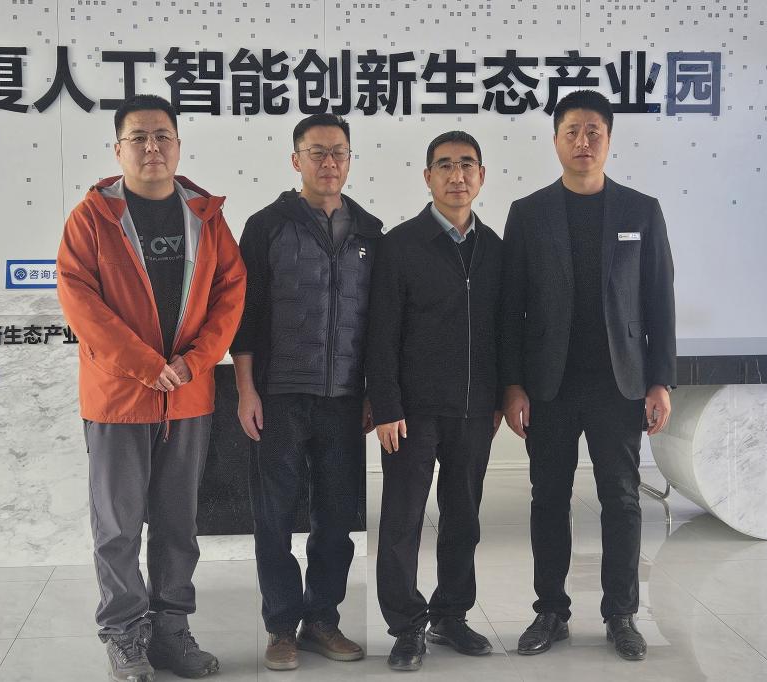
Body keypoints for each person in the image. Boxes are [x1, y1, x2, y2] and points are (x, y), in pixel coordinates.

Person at [56, 94, 246, 682]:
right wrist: (144, 364)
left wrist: (197, 361)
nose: (151, 147)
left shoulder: (205, 216)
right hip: (118, 399)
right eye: (138, 137)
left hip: (187, 397)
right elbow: (80, 302)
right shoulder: (92, 217)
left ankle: (171, 632)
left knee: (177, 524)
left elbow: (231, 292)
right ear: (118, 149)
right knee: (117, 527)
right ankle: (124, 634)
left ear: (178, 145)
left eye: (162, 135)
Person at [500, 89, 676, 662]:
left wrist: (660, 380)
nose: (583, 141)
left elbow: (659, 300)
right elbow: (511, 307)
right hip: (548, 385)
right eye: (572, 131)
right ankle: (550, 611)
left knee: (621, 500)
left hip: (618, 384)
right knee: (548, 499)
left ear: (608, 139)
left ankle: (621, 614)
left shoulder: (640, 210)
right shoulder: (528, 213)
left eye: (593, 131)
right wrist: (512, 383)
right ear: (555, 140)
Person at [231, 113, 382, 671]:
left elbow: (379, 324)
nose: (328, 162)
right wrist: (246, 391)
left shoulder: (370, 230)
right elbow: (245, 317)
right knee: (273, 517)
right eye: (316, 152)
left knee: (336, 519)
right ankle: (280, 626)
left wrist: (374, 392)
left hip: (344, 398)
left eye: (338, 152)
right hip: (279, 395)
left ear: (350, 159)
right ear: (296, 160)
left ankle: (322, 620)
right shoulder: (266, 226)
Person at [366, 131, 504, 672]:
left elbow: (504, 331)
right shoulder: (400, 245)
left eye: (467, 164)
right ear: (427, 177)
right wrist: (386, 405)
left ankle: (451, 614)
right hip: (412, 412)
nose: (456, 175)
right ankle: (406, 627)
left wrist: (500, 396)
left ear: (481, 176)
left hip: (475, 410)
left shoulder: (495, 248)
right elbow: (380, 334)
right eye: (444, 165)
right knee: (402, 521)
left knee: (463, 519)